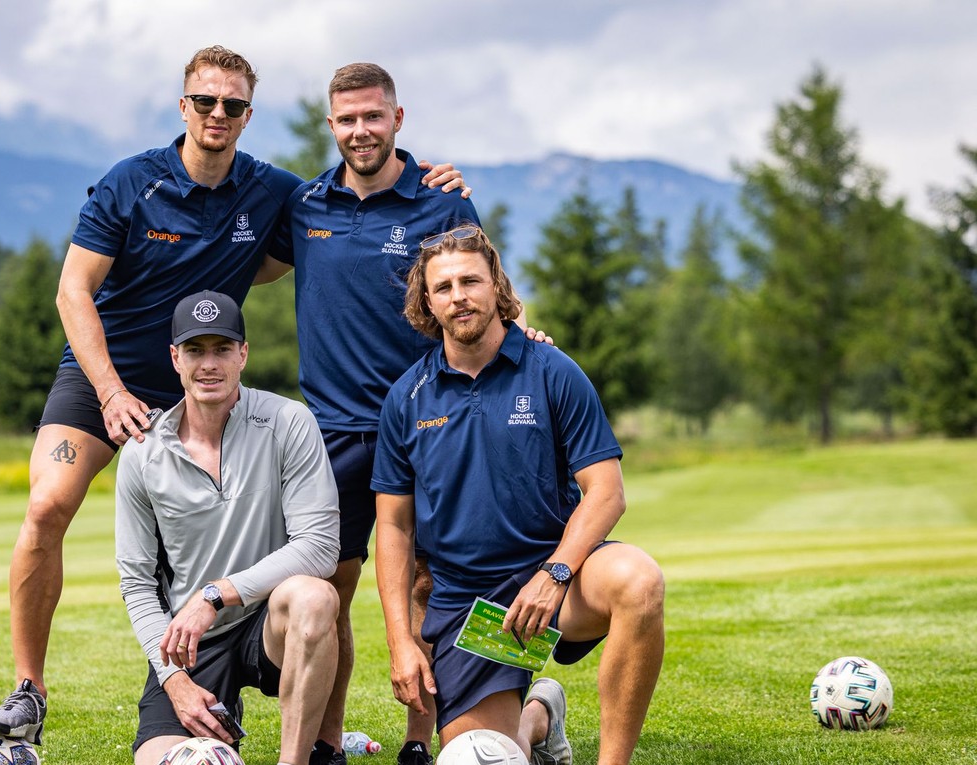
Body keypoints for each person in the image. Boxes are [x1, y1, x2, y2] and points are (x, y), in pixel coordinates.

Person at [0, 46, 464, 745]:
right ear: (184, 107)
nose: (217, 114)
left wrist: (437, 179)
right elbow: (71, 290)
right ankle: (28, 690)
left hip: (205, 377)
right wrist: (111, 393)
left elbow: (363, 211)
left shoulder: (276, 193)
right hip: (105, 371)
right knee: (48, 502)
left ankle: (315, 724)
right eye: (205, 102)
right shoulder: (131, 182)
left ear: (247, 115)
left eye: (232, 105)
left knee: (306, 568)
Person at [269, 63, 546, 765]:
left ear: (398, 118)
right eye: (347, 119)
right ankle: (326, 743)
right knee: (331, 588)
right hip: (331, 434)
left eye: (373, 116)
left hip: (434, 423)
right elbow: (240, 251)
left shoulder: (442, 201)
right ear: (330, 127)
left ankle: (421, 740)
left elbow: (483, 294)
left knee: (430, 579)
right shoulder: (304, 206)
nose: (361, 130)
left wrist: (528, 337)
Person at [371, 224, 665, 765]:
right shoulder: (405, 398)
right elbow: (393, 527)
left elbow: (606, 492)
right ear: (427, 304)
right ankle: (539, 718)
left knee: (639, 582)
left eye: (471, 281)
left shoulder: (553, 371)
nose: (459, 296)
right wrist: (401, 642)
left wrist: (554, 574)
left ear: (497, 288)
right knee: (482, 756)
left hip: (558, 580)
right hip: (471, 606)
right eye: (444, 287)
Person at [116, 291, 341, 765]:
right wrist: (174, 681)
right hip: (192, 642)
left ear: (243, 354)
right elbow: (136, 582)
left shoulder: (288, 421)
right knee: (160, 760)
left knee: (316, 596)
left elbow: (320, 548)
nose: (209, 365)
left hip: (267, 620)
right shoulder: (142, 451)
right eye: (196, 350)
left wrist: (216, 594)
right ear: (175, 358)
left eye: (222, 349)